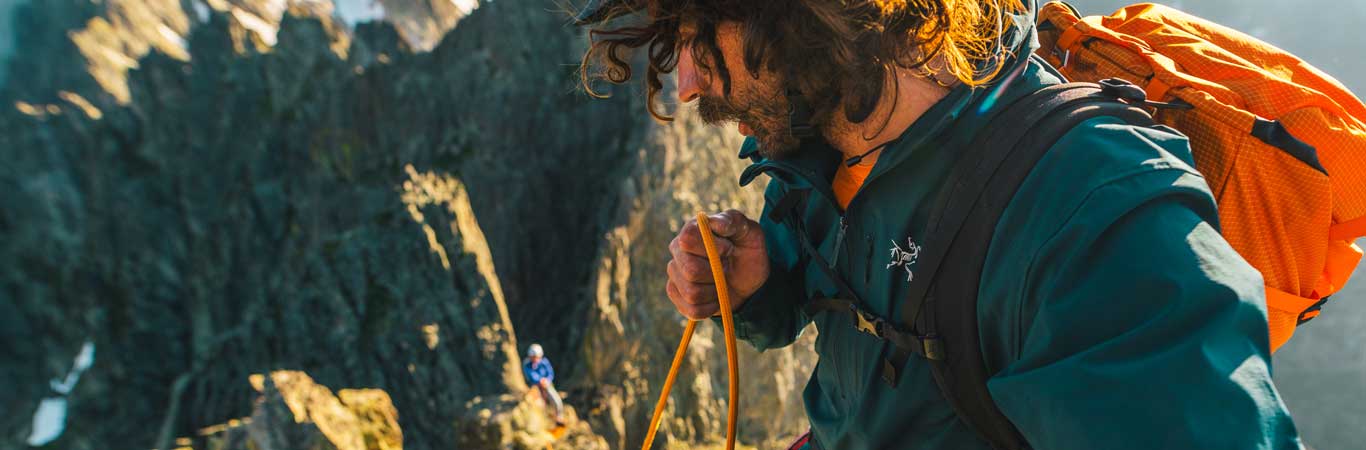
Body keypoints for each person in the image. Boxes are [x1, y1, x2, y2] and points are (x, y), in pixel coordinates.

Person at [576, 1, 1304, 449]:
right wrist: (766, 273)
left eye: (701, 32)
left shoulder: (1098, 221)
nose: (690, 83)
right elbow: (844, 265)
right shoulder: (828, 138)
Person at [523, 343, 564, 425]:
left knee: (555, 398)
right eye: (533, 357)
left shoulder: (544, 362)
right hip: (534, 386)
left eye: (536, 357)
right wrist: (539, 381)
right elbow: (530, 375)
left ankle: (559, 416)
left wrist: (547, 380)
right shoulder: (527, 364)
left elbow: (550, 373)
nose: (535, 359)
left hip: (546, 384)